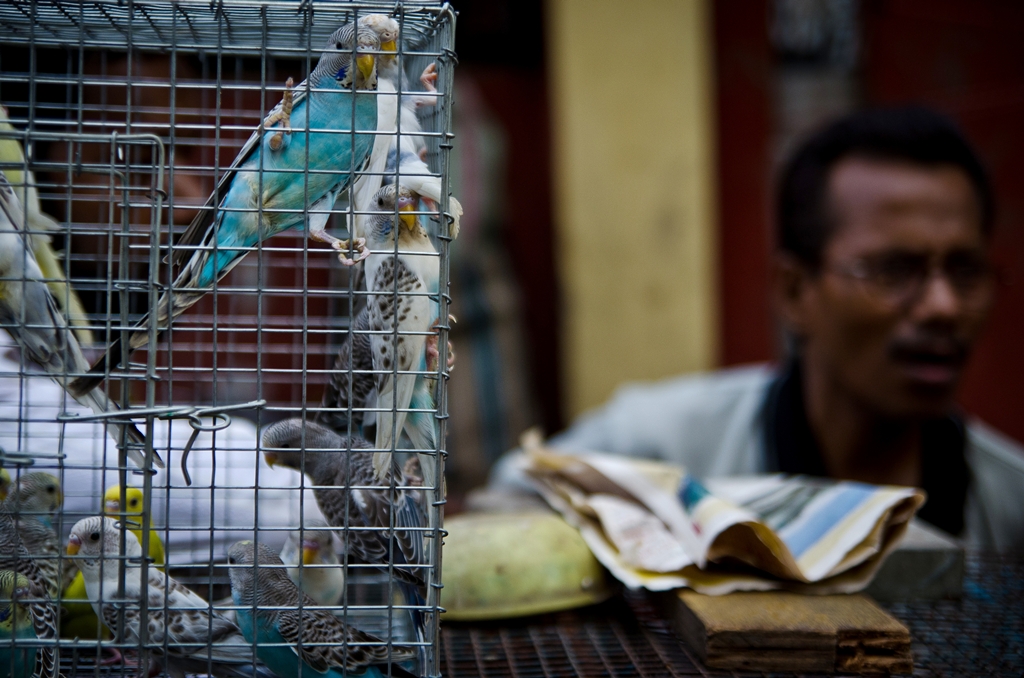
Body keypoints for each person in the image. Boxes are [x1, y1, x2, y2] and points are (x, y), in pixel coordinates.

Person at [492, 106, 1024, 552]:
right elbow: (504, 507)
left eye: (966, 272)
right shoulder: (661, 444)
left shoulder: (1011, 508)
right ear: (794, 291)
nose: (942, 306)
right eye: (893, 271)